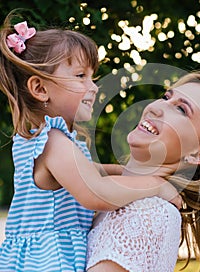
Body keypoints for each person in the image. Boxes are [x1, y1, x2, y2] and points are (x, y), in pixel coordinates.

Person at [0, 13, 181, 272]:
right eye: (80, 76)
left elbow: (89, 171)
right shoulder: (52, 141)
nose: (93, 87)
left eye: (92, 77)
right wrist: (155, 185)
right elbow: (95, 193)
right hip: (48, 261)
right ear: (40, 89)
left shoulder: (48, 141)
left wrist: (122, 170)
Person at [86, 73, 200, 272]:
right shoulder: (121, 201)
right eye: (166, 97)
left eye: (181, 109)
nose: (156, 107)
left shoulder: (147, 213)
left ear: (197, 155)